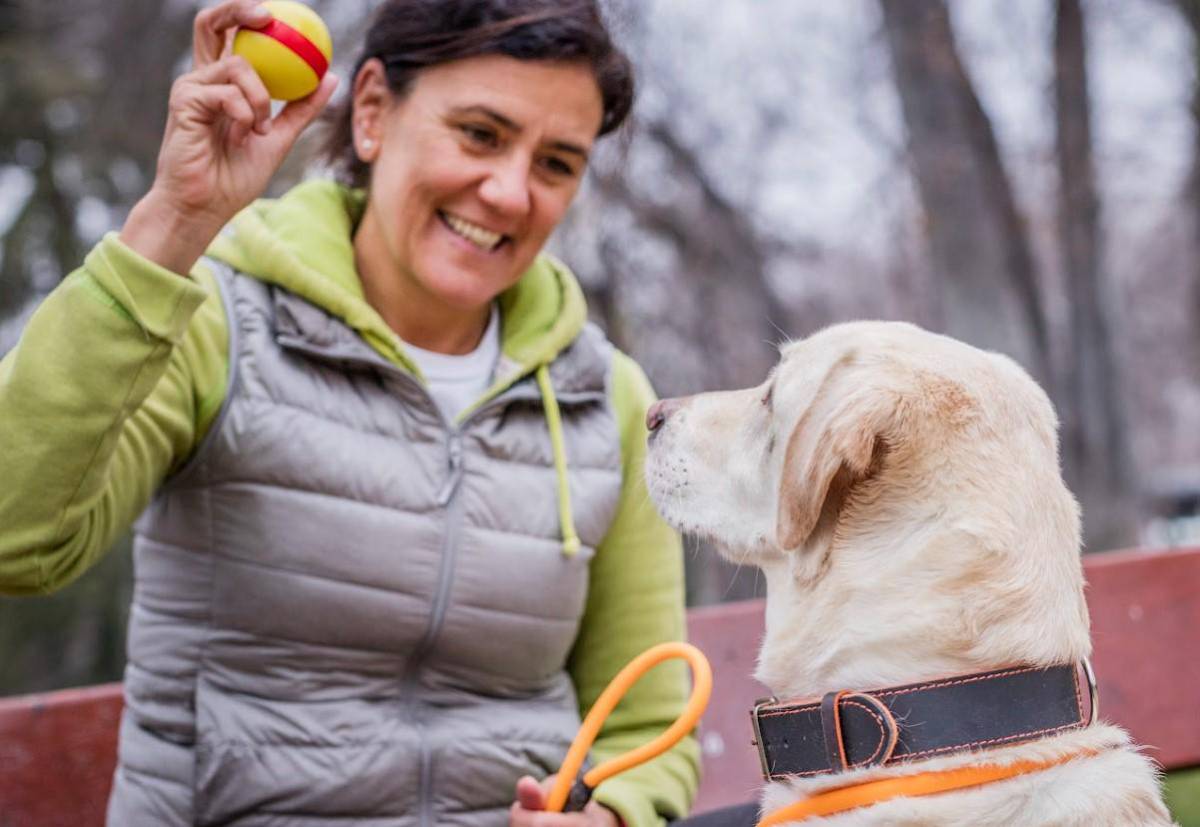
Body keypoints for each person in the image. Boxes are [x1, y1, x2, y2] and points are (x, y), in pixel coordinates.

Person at [0, 1, 700, 824]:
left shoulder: (610, 397)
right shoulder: (210, 319)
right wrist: (175, 220)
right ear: (371, 111)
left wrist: (612, 813)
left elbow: (647, 722)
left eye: (556, 163)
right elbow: (16, 539)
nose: (510, 192)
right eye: (479, 133)